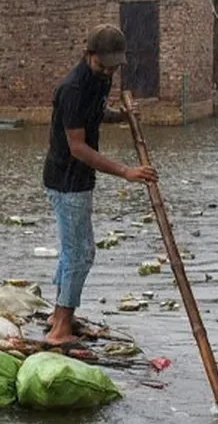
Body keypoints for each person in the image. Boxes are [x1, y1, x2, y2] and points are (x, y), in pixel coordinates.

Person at [43, 25, 158, 345]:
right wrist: (126, 172)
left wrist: (120, 116)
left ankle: (59, 315)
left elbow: (94, 114)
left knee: (71, 251)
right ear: (88, 55)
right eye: (102, 65)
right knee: (81, 253)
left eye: (113, 66)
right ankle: (60, 330)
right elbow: (78, 147)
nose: (108, 72)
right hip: (67, 180)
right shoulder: (73, 88)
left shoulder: (100, 79)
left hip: (77, 179)